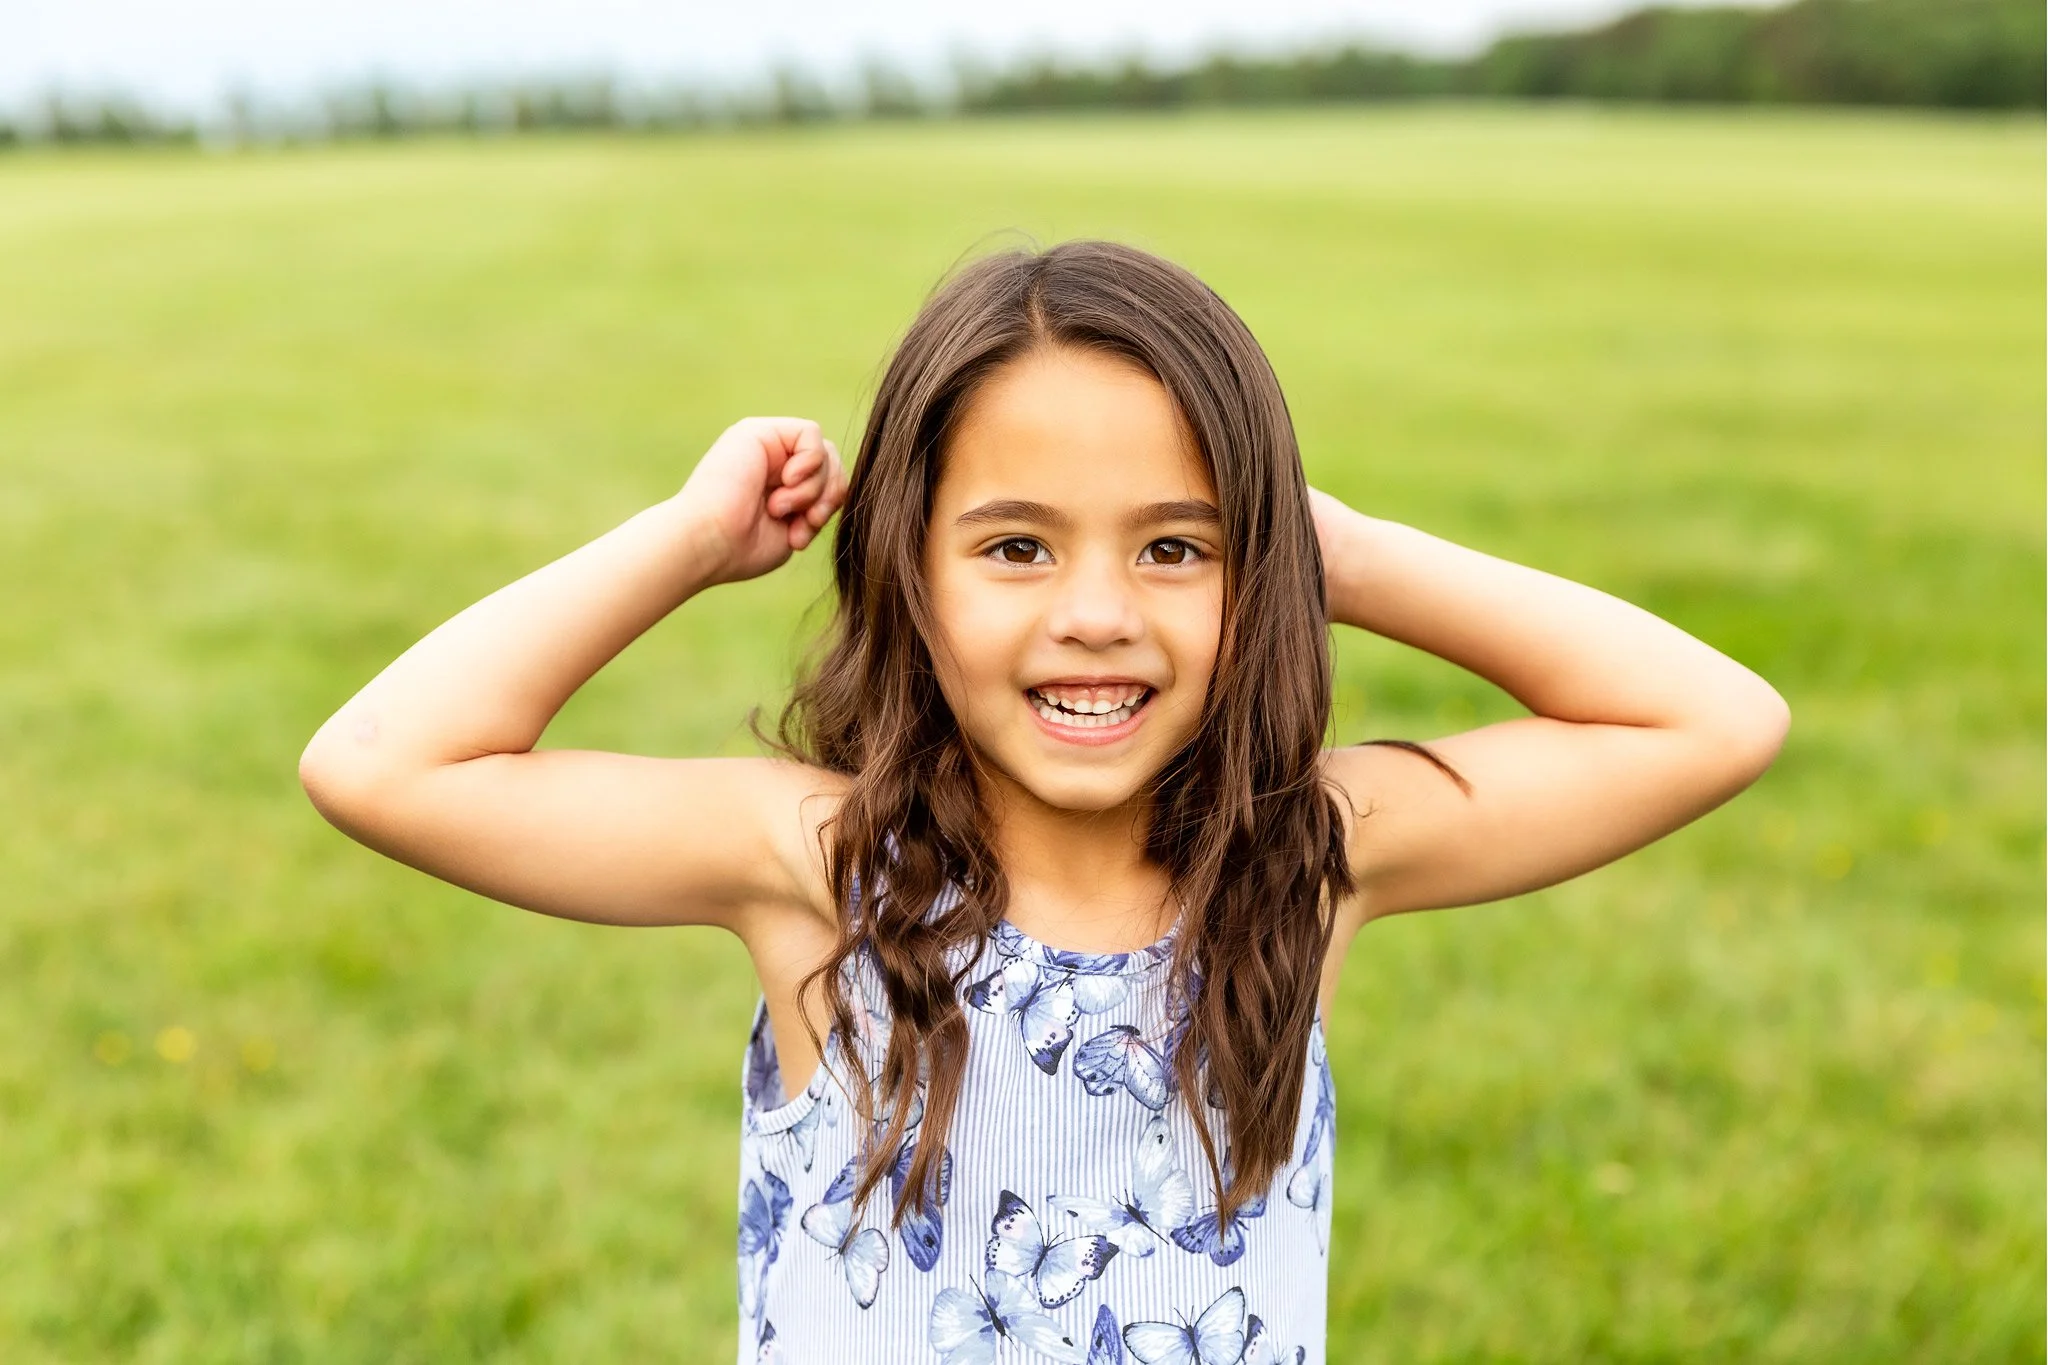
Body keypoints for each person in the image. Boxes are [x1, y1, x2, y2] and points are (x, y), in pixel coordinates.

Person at [298, 239, 1789, 1364]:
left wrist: (1345, 551)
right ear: (909, 571)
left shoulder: (1301, 859)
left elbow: (1714, 719)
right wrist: (686, 541)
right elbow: (381, 767)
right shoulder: (826, 868)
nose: (1096, 613)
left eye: (1175, 549)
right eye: (1016, 548)